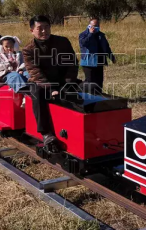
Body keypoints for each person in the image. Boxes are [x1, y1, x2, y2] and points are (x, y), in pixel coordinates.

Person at [22, 15, 82, 151]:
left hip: (63, 80)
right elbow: (35, 72)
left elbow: (72, 64)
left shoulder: (63, 42)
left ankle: (80, 129)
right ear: (32, 30)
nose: (44, 31)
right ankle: (45, 133)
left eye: (47, 27)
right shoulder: (28, 50)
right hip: (41, 83)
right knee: (37, 94)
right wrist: (51, 89)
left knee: (87, 88)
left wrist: (67, 83)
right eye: (40, 28)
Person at [79, 17, 115, 94]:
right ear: (89, 25)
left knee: (99, 82)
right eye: (94, 25)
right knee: (90, 82)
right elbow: (84, 43)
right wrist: (90, 34)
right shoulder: (83, 34)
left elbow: (106, 47)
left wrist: (112, 57)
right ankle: (80, 88)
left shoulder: (101, 35)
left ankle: (98, 97)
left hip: (99, 61)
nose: (96, 27)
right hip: (88, 62)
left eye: (97, 25)